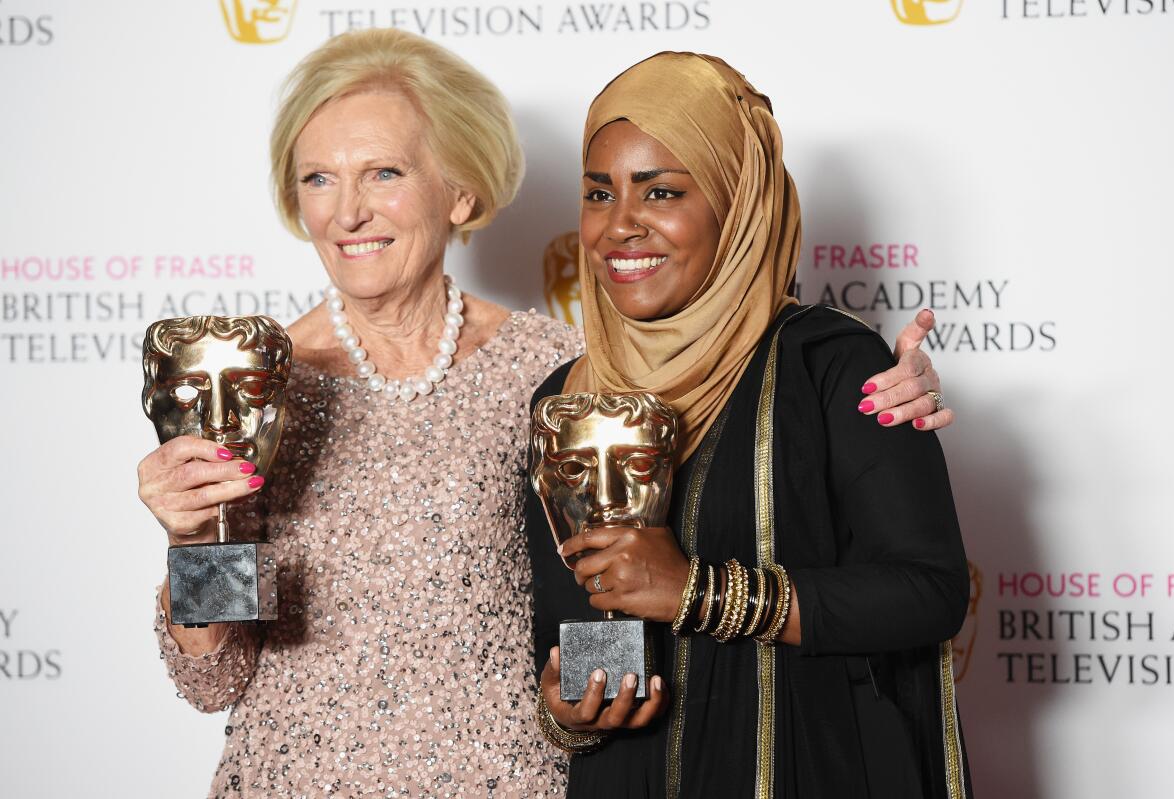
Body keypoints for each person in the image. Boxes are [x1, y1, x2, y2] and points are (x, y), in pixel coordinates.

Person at [136, 30, 953, 797]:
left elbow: (627, 583)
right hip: (293, 778)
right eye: (318, 178)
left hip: (514, 778)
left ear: (460, 191)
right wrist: (192, 541)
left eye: (383, 173)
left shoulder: (560, 374)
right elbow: (215, 680)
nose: (347, 210)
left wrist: (880, 389)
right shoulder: (240, 386)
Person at [527, 52, 972, 798]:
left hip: (802, 768)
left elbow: (929, 591)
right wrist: (572, 706)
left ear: (738, 205)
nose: (619, 227)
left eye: (661, 191)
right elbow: (581, 631)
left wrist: (697, 591)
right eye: (598, 194)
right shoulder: (570, 398)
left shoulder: (830, 365)